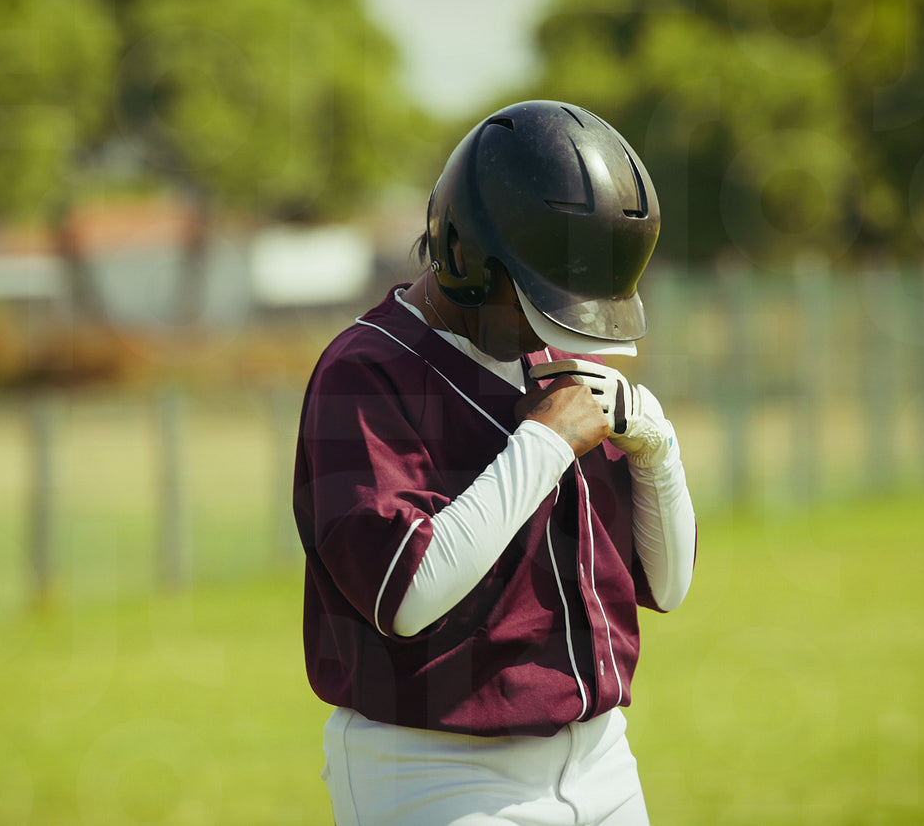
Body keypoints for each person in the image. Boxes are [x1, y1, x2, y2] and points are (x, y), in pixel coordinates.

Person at [292, 99, 698, 825]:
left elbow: (666, 586)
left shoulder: (554, 365)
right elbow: (408, 594)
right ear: (463, 258)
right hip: (439, 771)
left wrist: (656, 447)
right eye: (540, 300)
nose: (554, 330)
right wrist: (544, 444)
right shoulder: (363, 371)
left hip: (603, 758)